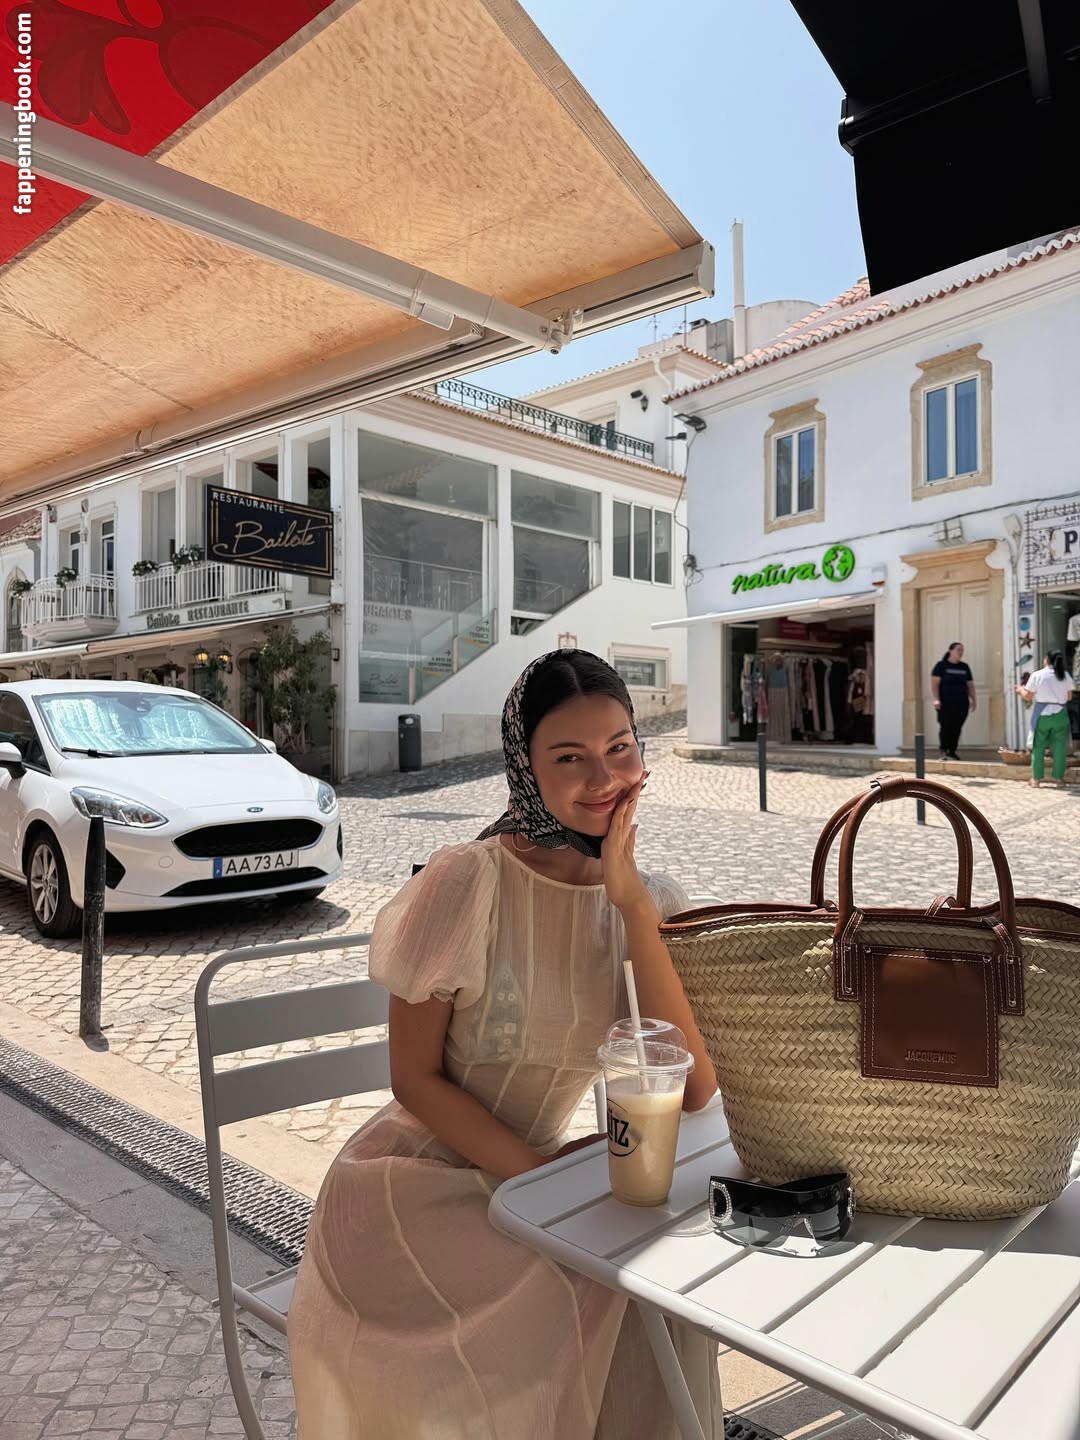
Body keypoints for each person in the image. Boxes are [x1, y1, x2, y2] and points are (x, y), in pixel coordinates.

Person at [287, 649, 721, 1439]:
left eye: (620, 747)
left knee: (663, 1286)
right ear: (525, 767)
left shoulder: (648, 902)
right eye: (570, 758)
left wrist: (630, 906)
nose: (604, 778)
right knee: (604, 1286)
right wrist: (543, 1180)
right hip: (414, 1193)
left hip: (534, 1181)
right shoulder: (468, 881)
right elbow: (413, 1079)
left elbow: (690, 1087)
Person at [1016, 650, 1075, 787]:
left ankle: (1036, 779)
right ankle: (1059, 779)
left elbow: (1028, 696)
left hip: (1042, 714)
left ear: (1047, 659)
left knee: (1038, 746)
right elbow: (1069, 697)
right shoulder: (1065, 675)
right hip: (1060, 714)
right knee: (1059, 747)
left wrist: (1020, 690)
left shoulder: (1037, 675)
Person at [930, 641, 976, 759]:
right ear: (950, 651)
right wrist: (936, 699)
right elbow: (934, 684)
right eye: (958, 650)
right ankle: (944, 750)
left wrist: (973, 699)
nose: (961, 652)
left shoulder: (964, 667)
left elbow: (970, 685)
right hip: (946, 702)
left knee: (957, 727)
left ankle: (952, 751)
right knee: (946, 726)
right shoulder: (941, 666)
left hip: (961, 703)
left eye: (962, 650)